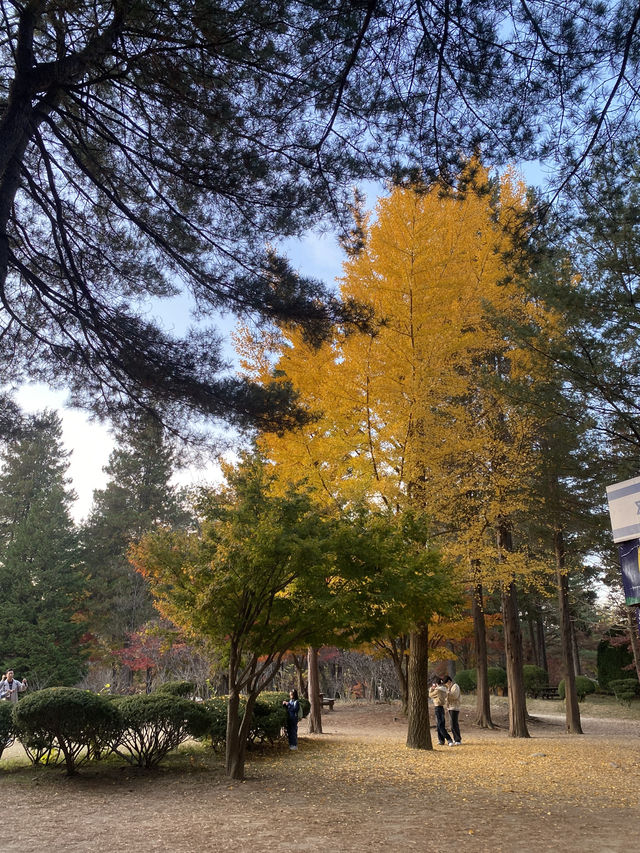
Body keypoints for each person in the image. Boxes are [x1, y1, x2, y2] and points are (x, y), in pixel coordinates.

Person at [429, 676, 454, 746]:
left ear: (436, 683)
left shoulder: (437, 690)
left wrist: (431, 688)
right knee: (440, 724)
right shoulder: (444, 689)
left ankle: (449, 739)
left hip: (437, 707)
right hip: (442, 707)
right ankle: (441, 740)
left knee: (440, 725)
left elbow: (430, 695)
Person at [443, 675, 462, 745]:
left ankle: (458, 739)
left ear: (449, 681)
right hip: (450, 707)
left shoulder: (455, 686)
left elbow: (455, 696)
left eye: (446, 683)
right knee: (452, 724)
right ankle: (456, 739)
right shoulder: (449, 687)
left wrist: (447, 693)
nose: (446, 685)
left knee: (454, 724)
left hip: (455, 707)